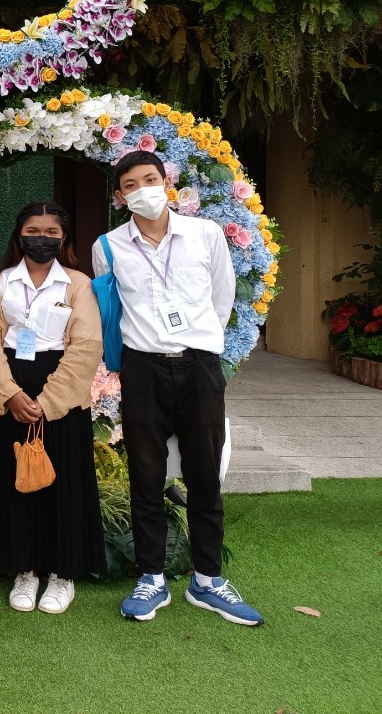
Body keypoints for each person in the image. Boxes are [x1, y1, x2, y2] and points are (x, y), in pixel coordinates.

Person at [93, 151, 263, 626]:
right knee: (145, 474)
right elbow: (111, 310)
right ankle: (151, 577)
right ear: (119, 196)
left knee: (204, 474)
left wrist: (197, 343)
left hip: (200, 367)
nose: (143, 190)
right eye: (131, 185)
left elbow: (222, 298)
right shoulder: (107, 247)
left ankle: (207, 580)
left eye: (150, 179)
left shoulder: (205, 234)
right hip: (142, 370)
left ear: (166, 183)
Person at [0, 201, 105, 615]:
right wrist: (8, 394)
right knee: (14, 482)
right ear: (19, 235)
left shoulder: (78, 284)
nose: (41, 238)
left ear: (63, 238)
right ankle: (24, 570)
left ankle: (62, 575)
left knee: (63, 483)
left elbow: (87, 345)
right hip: (10, 391)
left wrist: (48, 402)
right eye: (33, 231)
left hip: (61, 394)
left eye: (51, 232)